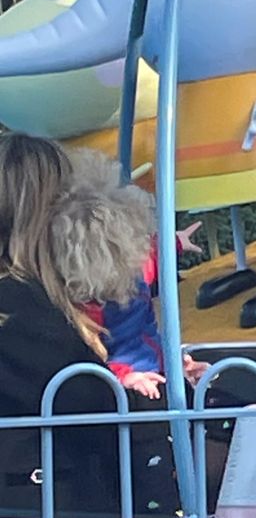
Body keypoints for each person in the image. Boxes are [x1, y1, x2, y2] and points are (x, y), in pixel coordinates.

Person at [0, 133, 179, 518]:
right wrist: (163, 391)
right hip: (48, 512)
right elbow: (93, 406)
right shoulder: (25, 310)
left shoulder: (27, 304)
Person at [51, 147, 209, 400]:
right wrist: (123, 378)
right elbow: (92, 360)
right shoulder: (84, 309)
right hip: (133, 387)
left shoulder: (134, 269)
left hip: (157, 366)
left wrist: (175, 243)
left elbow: (152, 258)